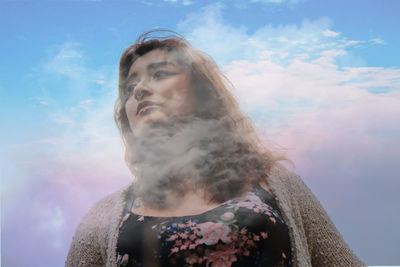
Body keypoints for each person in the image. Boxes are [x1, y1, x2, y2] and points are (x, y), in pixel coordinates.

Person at [65, 31, 365, 267]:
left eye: (159, 74)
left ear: (200, 93)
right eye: (130, 87)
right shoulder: (103, 217)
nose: (139, 90)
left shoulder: (274, 182)